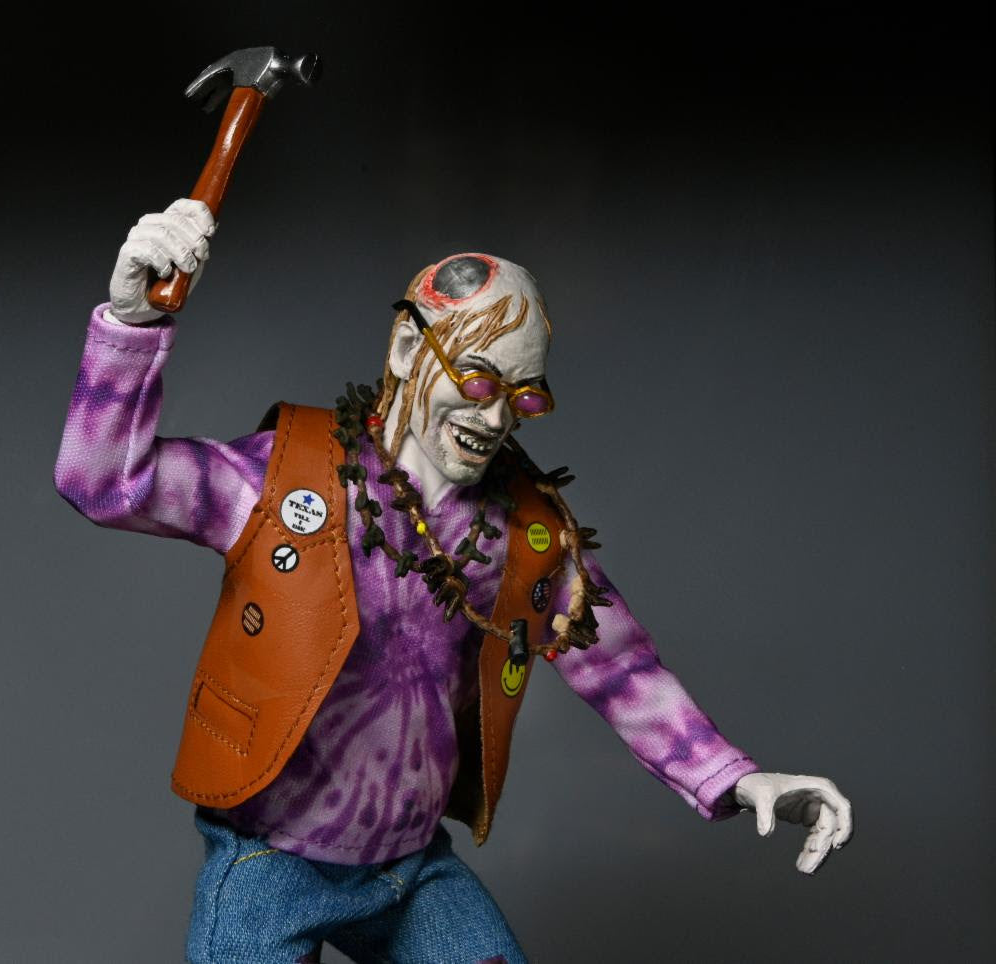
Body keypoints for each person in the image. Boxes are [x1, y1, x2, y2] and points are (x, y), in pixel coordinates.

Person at [54, 199, 853, 964]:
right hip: (269, 861)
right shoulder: (284, 478)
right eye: (476, 380)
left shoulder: (519, 535)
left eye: (522, 394)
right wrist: (132, 324)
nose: (496, 417)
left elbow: (618, 664)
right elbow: (102, 481)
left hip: (411, 870)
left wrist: (734, 777)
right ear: (408, 350)